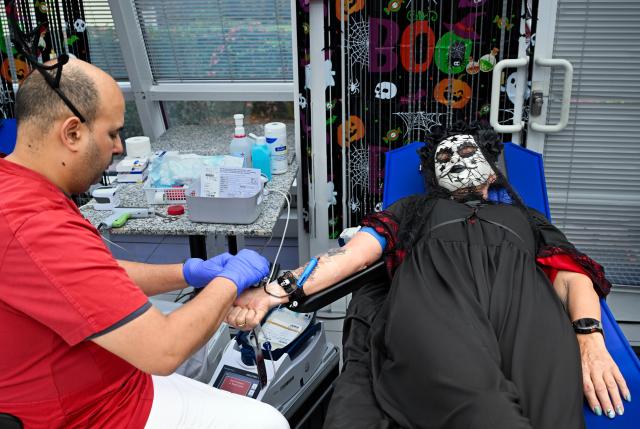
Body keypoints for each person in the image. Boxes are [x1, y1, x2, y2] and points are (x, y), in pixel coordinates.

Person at [226, 123, 631, 428]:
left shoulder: (527, 217)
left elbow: (571, 276)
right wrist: (276, 291)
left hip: (524, 306)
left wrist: (589, 338)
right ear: (433, 177)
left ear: (492, 172)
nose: (456, 162)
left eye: (468, 153)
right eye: (444, 160)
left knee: (550, 408)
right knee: (482, 407)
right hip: (437, 300)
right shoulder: (412, 209)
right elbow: (350, 256)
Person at [0, 57, 289, 429]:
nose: (119, 148)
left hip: (88, 372)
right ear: (72, 133)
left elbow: (85, 280)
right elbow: (162, 351)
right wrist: (229, 280)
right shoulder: (35, 225)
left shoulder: (17, 187)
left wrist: (188, 272)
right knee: (268, 422)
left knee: (202, 345)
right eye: (111, 133)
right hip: (93, 412)